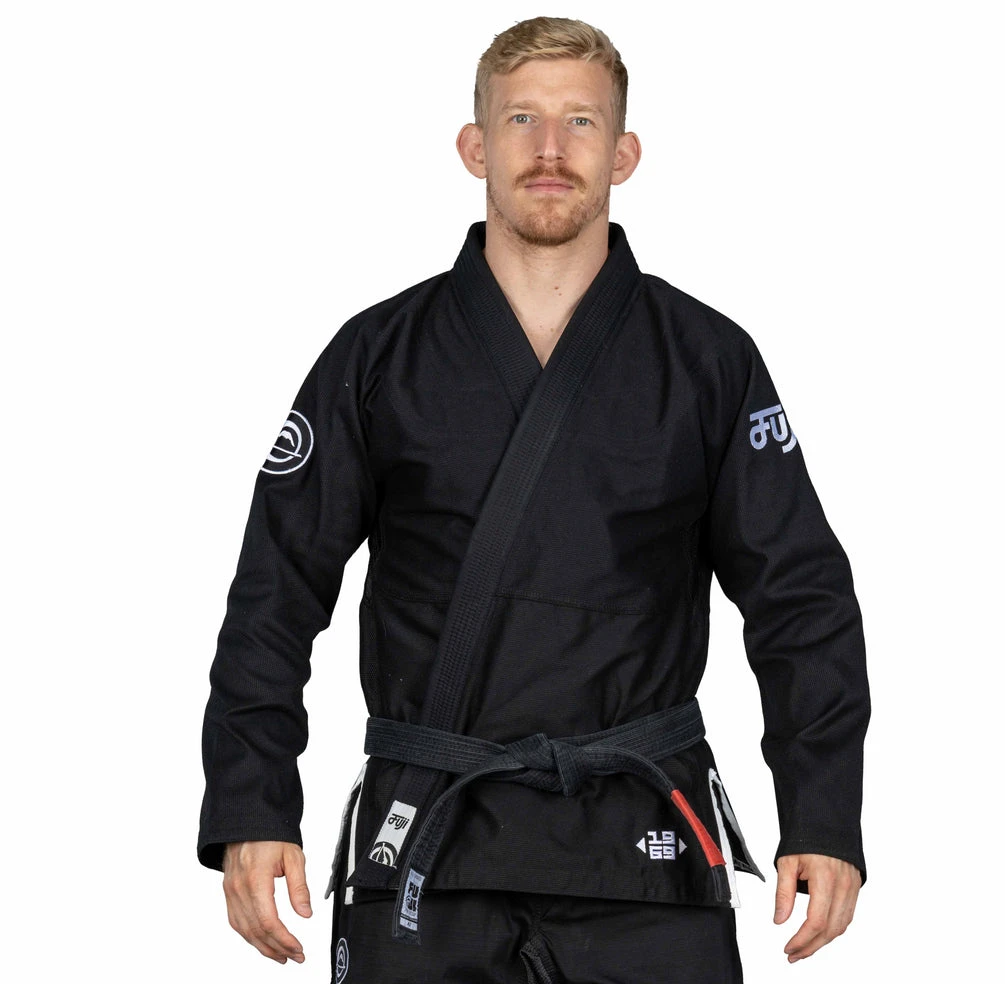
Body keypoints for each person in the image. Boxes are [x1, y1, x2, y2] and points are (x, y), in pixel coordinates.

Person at [198, 16, 870, 982]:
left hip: (644, 846)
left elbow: (800, 596)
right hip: (429, 839)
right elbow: (275, 587)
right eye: (521, 118)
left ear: (624, 153)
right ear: (474, 146)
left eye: (581, 121)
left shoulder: (708, 360)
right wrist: (251, 801)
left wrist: (824, 810)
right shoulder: (377, 355)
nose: (550, 149)